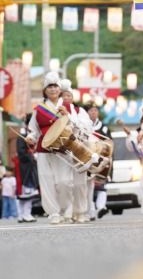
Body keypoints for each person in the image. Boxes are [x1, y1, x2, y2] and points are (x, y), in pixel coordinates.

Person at [26, 72, 76, 225]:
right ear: (45, 90)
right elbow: (33, 129)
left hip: (63, 148)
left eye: (55, 86)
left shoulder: (68, 107)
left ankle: (65, 208)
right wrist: (31, 138)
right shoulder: (39, 109)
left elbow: (78, 127)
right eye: (50, 86)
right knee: (47, 181)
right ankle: (53, 213)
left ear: (60, 89)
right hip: (44, 149)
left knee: (64, 182)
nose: (53, 89)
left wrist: (68, 116)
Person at [59, 78, 92, 223]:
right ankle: (66, 211)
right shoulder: (56, 110)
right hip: (62, 151)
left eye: (69, 95)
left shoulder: (79, 111)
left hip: (79, 148)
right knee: (65, 183)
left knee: (80, 183)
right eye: (64, 95)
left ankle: (81, 212)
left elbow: (87, 127)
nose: (66, 98)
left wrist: (70, 117)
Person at [86, 104, 111, 220]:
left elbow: (109, 144)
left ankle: (101, 207)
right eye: (91, 110)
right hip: (87, 157)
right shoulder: (83, 126)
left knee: (101, 185)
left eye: (95, 110)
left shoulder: (104, 127)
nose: (93, 113)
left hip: (101, 158)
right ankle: (90, 211)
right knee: (88, 186)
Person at [15, 118, 38, 223]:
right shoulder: (22, 136)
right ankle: (22, 214)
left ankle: (26, 214)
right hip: (24, 167)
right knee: (25, 191)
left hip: (30, 166)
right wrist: (31, 155)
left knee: (29, 192)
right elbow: (21, 153)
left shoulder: (33, 135)